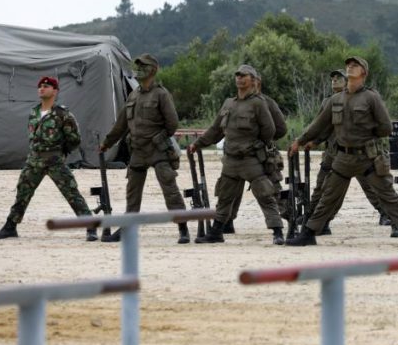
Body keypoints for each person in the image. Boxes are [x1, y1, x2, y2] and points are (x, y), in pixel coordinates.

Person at [285, 56, 398, 247]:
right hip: (343, 157)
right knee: (328, 195)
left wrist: (367, 135)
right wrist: (300, 140)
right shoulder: (335, 99)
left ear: (363, 72)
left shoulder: (371, 97)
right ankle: (309, 232)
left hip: (369, 158)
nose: (350, 67)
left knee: (388, 195)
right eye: (348, 65)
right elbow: (319, 124)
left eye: (355, 65)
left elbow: (386, 128)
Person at [189, 64, 284, 244]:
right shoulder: (229, 103)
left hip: (251, 160)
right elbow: (215, 130)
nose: (239, 78)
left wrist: (256, 144)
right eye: (237, 75)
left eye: (244, 76)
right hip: (231, 160)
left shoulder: (258, 103)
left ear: (253, 80)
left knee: (265, 195)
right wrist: (198, 144)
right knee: (224, 197)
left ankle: (277, 232)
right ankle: (216, 232)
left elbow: (270, 130)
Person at [0, 76, 96, 241]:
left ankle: (90, 227)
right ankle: (10, 227)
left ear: (55, 91)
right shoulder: (34, 112)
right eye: (40, 86)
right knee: (22, 193)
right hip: (34, 160)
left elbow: (74, 138)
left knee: (72, 193)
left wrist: (61, 152)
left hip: (54, 160)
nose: (42, 88)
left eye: (46, 86)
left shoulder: (62, 113)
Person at [100, 54, 189, 244]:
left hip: (158, 151)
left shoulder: (161, 94)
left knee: (170, 191)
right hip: (138, 152)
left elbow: (172, 124)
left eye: (144, 66)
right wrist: (107, 143)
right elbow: (121, 124)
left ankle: (183, 228)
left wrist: (159, 138)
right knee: (132, 193)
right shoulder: (133, 95)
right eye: (138, 66)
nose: (139, 69)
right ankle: (126, 229)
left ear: (153, 70)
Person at [306, 69, 395, 236]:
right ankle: (318, 220)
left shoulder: (365, 97)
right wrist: (313, 141)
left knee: (373, 186)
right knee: (324, 188)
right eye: (332, 79)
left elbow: (380, 125)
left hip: (360, 152)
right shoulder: (328, 102)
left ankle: (388, 215)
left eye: (339, 78)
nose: (334, 81)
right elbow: (321, 127)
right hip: (333, 152)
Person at [222, 71, 288, 238]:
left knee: (271, 187)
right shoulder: (235, 103)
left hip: (263, 152)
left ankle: (289, 216)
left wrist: (263, 140)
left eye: (256, 81)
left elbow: (280, 129)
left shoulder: (267, 102)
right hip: (238, 154)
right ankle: (227, 221)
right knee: (232, 189)